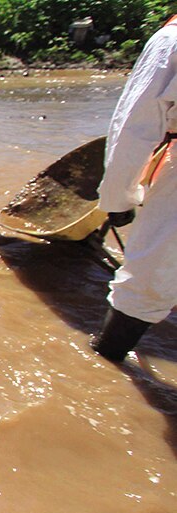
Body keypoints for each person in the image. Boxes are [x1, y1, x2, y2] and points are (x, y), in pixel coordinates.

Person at [90, 13, 177, 362]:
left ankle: (103, 362)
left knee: (148, 272)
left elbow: (133, 132)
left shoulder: (171, 41)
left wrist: (118, 200)